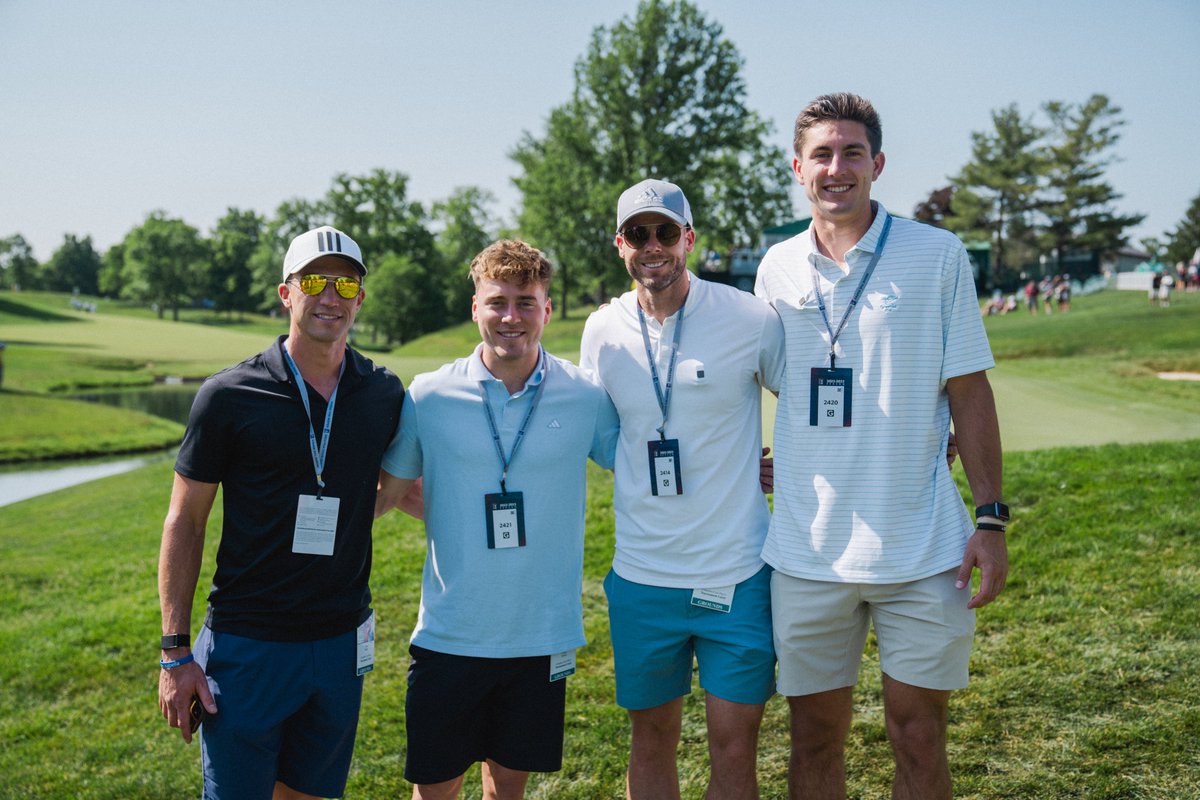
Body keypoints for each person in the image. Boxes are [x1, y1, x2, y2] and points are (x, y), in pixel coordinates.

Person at [754, 93, 1007, 800]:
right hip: (807, 552)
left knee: (919, 738)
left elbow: (970, 390)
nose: (838, 168)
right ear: (798, 168)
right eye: (823, 155)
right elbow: (765, 383)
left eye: (852, 152)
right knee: (812, 741)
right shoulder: (774, 267)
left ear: (878, 163)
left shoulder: (937, 253)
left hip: (922, 547)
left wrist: (990, 519)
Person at [156, 225, 404, 800]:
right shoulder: (228, 394)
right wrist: (175, 652)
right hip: (248, 645)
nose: (330, 297)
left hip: (340, 643)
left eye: (346, 284)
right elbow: (184, 522)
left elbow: (407, 487)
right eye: (314, 280)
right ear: (285, 293)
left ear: (361, 299)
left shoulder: (383, 393)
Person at [374, 239, 620, 800]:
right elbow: (390, 491)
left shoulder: (584, 396)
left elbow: (636, 462)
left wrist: (733, 466)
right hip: (449, 632)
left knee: (507, 787)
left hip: (540, 632)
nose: (511, 317)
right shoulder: (430, 395)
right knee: (435, 789)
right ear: (475, 308)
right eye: (498, 302)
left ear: (547, 309)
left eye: (526, 302)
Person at [579, 179, 785, 799]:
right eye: (638, 234)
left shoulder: (749, 317)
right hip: (644, 577)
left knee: (734, 745)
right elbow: (603, 437)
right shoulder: (601, 330)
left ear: (688, 239)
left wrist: (773, 463)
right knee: (651, 744)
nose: (653, 246)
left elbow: (804, 405)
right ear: (620, 245)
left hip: (738, 573)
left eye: (666, 232)